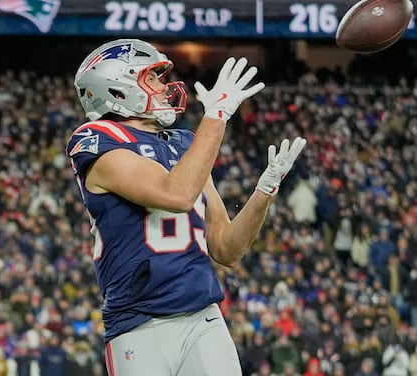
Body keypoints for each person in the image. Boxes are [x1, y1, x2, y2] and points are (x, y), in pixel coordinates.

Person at [66, 39, 306, 375]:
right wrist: (216, 116)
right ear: (117, 89)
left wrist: (264, 190)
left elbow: (227, 249)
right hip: (138, 324)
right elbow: (176, 195)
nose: (164, 87)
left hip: (203, 318)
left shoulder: (183, 144)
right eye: (152, 78)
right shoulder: (97, 140)